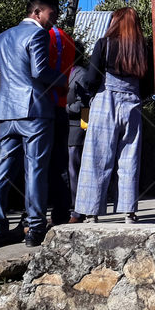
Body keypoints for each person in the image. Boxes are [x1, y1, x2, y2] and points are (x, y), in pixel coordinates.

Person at [0, 0, 65, 248]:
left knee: (2, 170)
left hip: (7, 111)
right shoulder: (38, 35)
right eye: (51, 15)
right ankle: (35, 228)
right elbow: (39, 71)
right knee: (36, 169)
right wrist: (65, 79)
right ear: (37, 13)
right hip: (35, 110)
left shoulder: (0, 37)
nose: (53, 21)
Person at [75, 7, 152, 223]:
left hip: (105, 101)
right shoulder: (143, 49)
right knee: (129, 157)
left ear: (114, 22)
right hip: (133, 103)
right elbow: (149, 84)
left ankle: (91, 212)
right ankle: (128, 212)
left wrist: (90, 94)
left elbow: (91, 79)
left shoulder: (104, 44)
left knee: (97, 156)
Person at [47, 24, 76, 225]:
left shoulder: (46, 37)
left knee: (65, 167)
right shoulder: (66, 39)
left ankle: (64, 210)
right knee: (62, 165)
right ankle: (61, 211)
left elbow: (84, 102)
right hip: (59, 110)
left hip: (54, 112)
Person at [66, 42, 90, 223]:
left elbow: (83, 104)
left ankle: (78, 209)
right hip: (64, 127)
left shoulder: (80, 74)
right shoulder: (63, 72)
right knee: (66, 170)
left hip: (76, 127)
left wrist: (62, 108)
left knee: (74, 169)